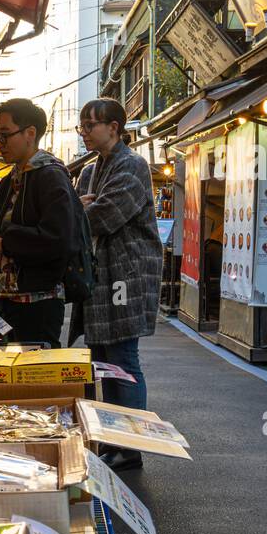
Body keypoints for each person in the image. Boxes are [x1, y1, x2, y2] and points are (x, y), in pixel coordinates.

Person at [75, 98, 164, 472]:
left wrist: (81, 208)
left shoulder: (131, 165)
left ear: (114, 127)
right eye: (82, 126)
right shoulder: (92, 169)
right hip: (102, 275)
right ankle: (115, 439)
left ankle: (131, 445)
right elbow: (87, 210)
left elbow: (104, 216)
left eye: (91, 125)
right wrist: (83, 205)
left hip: (126, 275)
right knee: (102, 362)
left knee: (123, 359)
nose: (85, 132)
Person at [0, 98, 79, 346]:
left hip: (36, 304)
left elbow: (59, 240)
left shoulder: (51, 176)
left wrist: (2, 244)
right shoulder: (9, 179)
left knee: (33, 378)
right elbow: (0, 231)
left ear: (30, 133)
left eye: (4, 136)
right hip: (2, 301)